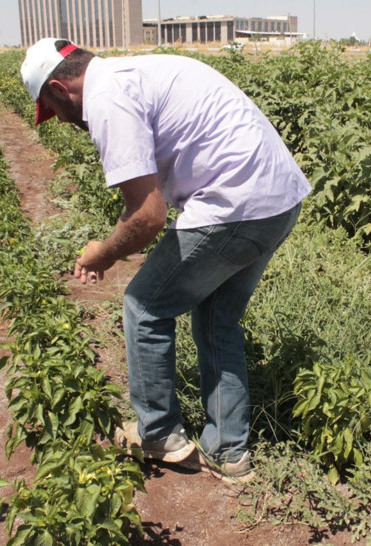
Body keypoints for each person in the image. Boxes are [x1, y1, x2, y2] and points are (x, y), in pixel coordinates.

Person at [20, 38, 310, 483]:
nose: (59, 121)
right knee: (217, 318)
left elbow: (148, 215)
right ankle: (228, 452)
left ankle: (158, 434)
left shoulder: (106, 100)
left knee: (145, 305)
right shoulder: (137, 72)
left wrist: (104, 252)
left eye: (52, 110)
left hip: (233, 206)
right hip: (278, 199)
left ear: (60, 89)